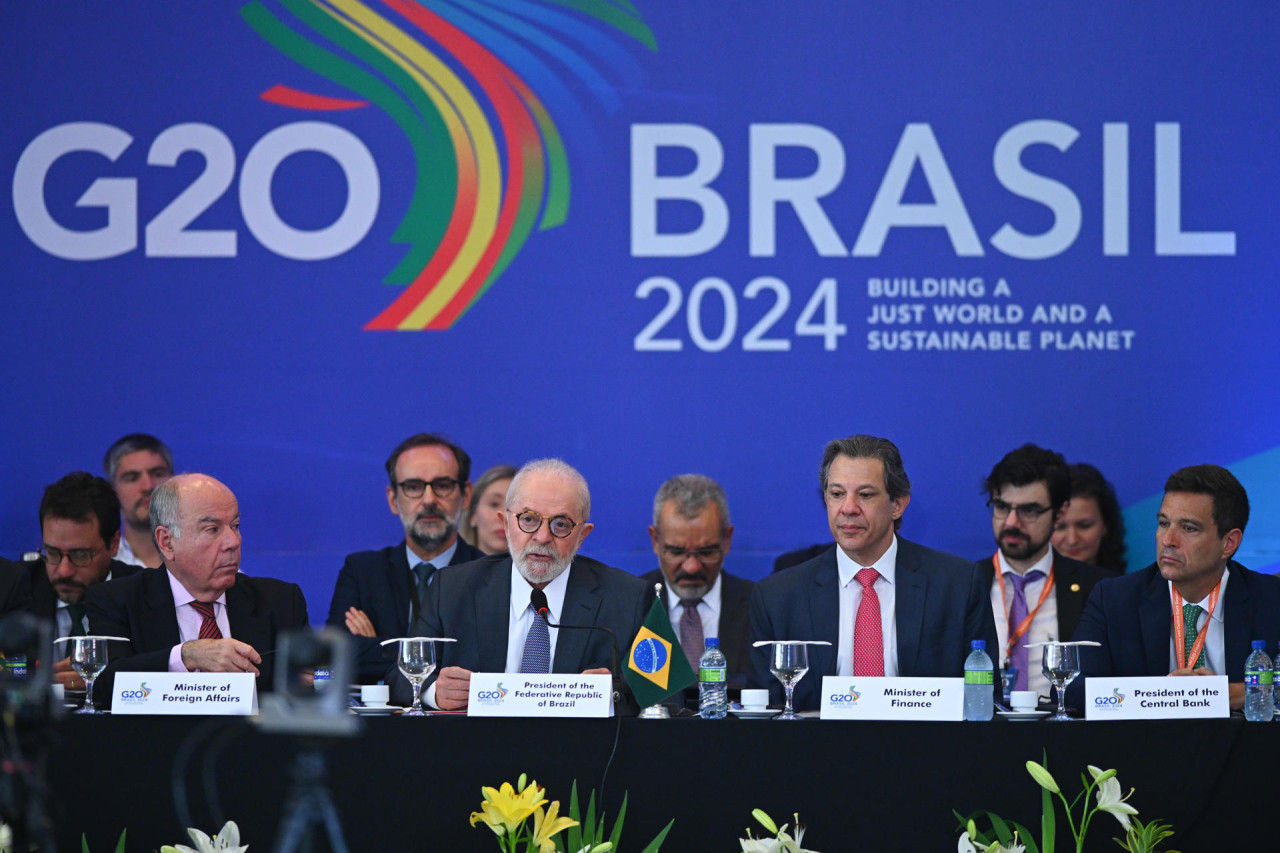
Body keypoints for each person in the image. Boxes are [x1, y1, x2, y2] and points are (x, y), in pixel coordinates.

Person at [749, 435, 998, 712]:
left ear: (898, 504)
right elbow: (765, 712)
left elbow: (983, 701)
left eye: (865, 495)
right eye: (836, 494)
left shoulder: (958, 586)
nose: (848, 508)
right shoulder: (778, 597)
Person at [393, 458, 649, 711]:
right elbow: (400, 675)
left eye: (560, 524)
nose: (542, 537)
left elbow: (668, 693)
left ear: (582, 535)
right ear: (505, 524)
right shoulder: (451, 589)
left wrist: (610, 695)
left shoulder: (628, 599)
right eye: (528, 519)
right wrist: (434, 691)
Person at [1069, 464, 1280, 712]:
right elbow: (1072, 691)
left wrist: (1230, 693)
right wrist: (1170, 694)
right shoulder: (1114, 600)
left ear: (1229, 543)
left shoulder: (1271, 600)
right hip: (1148, 748)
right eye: (1163, 523)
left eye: (1189, 528)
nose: (1168, 540)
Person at [86, 474, 308, 706]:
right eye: (212, 529)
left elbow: (328, 675)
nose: (233, 541)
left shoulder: (280, 600)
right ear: (167, 542)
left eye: (235, 526)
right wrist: (185, 656)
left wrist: (320, 680)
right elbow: (102, 687)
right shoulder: (117, 600)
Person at [327, 434, 483, 682]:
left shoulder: (489, 575)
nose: (429, 500)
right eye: (413, 487)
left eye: (442, 485)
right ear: (392, 499)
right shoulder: (362, 571)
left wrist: (378, 646)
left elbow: (484, 661)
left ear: (466, 493)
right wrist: (439, 655)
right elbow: (338, 654)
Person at [977, 445, 1110, 699]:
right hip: (982, 730)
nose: (1011, 523)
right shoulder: (962, 584)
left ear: (1060, 513)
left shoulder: (1099, 589)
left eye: (1029, 510)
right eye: (1002, 507)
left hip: (1064, 732)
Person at [640, 474, 753, 695]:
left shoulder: (759, 605)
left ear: (727, 540)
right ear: (655, 540)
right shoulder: (628, 604)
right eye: (676, 551)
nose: (691, 567)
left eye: (706, 552)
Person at [30, 472, 142, 690]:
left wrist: (104, 681)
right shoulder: (17, 588)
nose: (63, 571)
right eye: (52, 553)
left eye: (80, 555)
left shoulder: (143, 592)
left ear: (114, 543)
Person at [104, 433, 174, 569]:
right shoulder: (104, 567)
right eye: (132, 478)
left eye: (158, 474)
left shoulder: (202, 558)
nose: (148, 486)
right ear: (113, 490)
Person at [1052, 463, 1127, 576]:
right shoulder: (1025, 588)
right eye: (1060, 527)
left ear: (1105, 525)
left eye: (1085, 525)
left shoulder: (1127, 590)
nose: (1072, 540)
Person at [461, 464, 517, 555]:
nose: (505, 516)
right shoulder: (449, 567)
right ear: (472, 514)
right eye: (494, 504)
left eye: (514, 506)